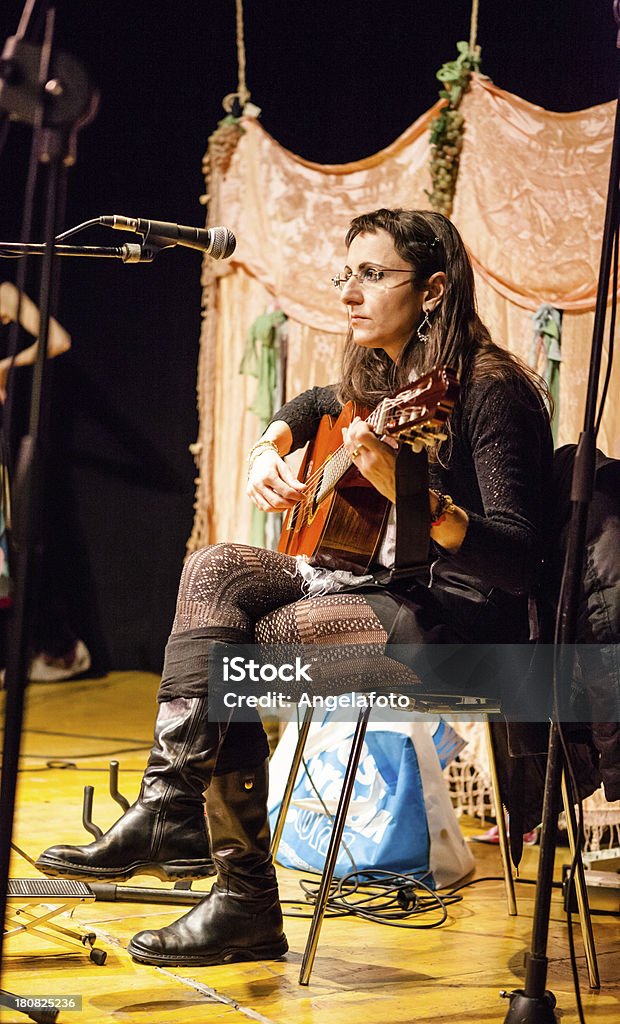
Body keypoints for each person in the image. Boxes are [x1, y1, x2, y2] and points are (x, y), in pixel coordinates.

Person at [35, 208, 554, 967]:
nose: (349, 292)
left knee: (230, 663)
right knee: (213, 566)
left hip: (458, 625)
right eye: (345, 274)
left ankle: (234, 889)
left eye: (372, 275)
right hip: (374, 594)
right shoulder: (380, 371)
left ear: (436, 288)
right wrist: (269, 442)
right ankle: (174, 808)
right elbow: (313, 404)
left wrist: (424, 505)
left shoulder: (489, 391)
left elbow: (523, 565)